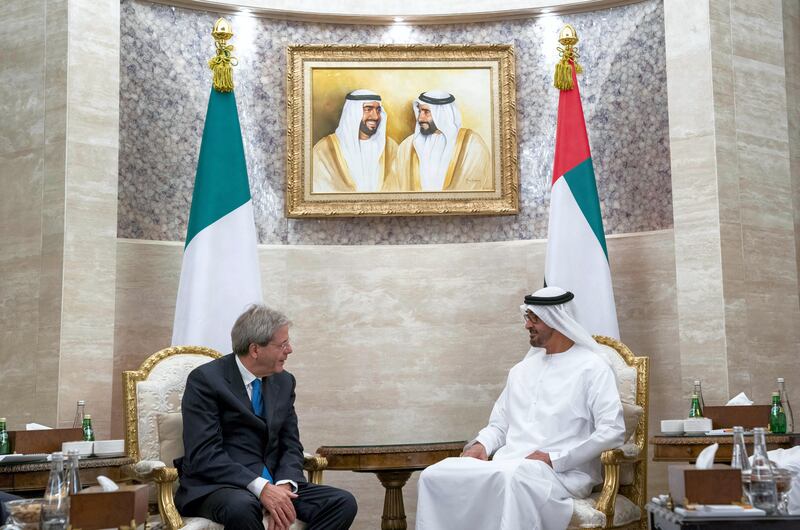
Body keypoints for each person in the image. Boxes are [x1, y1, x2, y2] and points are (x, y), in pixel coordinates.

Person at [415, 286, 625, 530]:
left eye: (534, 319)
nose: (527, 325)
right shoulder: (521, 371)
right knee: (435, 475)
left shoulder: (593, 367)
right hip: (510, 465)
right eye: (528, 318)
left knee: (512, 478)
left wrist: (554, 459)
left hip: (562, 474)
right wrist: (482, 445)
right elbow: (499, 425)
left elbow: (612, 430)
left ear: (556, 320)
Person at [175, 305, 357, 530]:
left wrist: (285, 485)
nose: (289, 350)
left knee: (342, 503)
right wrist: (262, 488)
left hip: (275, 482)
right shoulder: (206, 380)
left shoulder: (284, 381)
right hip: (221, 486)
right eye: (282, 344)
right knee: (242, 505)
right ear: (255, 349)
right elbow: (204, 454)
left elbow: (291, 445)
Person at [383, 91, 492, 192]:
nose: (420, 118)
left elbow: (479, 186)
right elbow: (392, 186)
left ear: (443, 114)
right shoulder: (407, 146)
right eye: (420, 111)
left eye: (426, 112)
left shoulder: (472, 144)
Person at [312, 89, 398, 193]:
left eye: (378, 110)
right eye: (368, 109)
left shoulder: (391, 147)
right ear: (353, 113)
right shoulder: (324, 150)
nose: (375, 116)